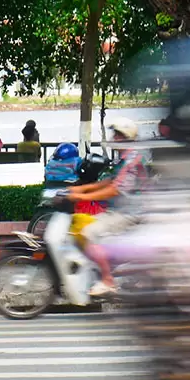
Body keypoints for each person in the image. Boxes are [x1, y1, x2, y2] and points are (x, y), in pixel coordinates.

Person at [64, 117, 148, 296]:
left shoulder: (132, 158)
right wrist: (82, 188)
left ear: (126, 137)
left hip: (129, 213)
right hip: (118, 211)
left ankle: (107, 280)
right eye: (114, 134)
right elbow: (110, 181)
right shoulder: (124, 157)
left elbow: (114, 190)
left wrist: (80, 196)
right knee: (80, 226)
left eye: (117, 134)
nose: (114, 137)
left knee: (89, 233)